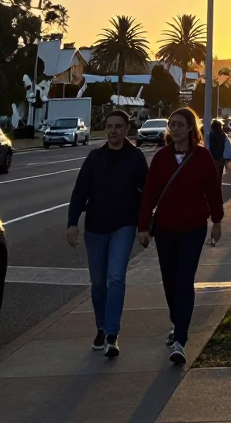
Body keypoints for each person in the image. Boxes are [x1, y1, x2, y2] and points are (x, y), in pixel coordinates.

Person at [138, 107, 224, 366]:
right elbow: (149, 194)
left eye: (178, 124)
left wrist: (217, 221)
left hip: (193, 229)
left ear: (190, 128)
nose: (173, 129)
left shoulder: (202, 157)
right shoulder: (161, 158)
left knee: (184, 280)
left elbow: (213, 191)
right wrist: (143, 226)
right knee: (169, 280)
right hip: (165, 229)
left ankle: (180, 340)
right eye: (171, 125)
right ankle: (177, 322)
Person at [67, 109, 148, 359]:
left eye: (119, 126)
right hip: (95, 228)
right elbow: (80, 192)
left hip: (123, 226)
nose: (114, 130)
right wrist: (72, 223)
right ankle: (101, 327)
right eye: (110, 126)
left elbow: (147, 195)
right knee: (98, 283)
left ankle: (112, 334)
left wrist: (145, 226)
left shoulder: (136, 158)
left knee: (115, 279)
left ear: (127, 129)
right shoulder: (94, 158)